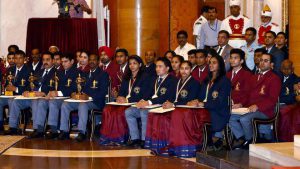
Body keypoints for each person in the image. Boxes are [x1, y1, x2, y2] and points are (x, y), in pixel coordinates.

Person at [151, 61, 208, 157]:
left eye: (186, 69)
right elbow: (172, 97)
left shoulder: (194, 83)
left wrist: (173, 104)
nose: (184, 71)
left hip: (189, 111)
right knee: (160, 115)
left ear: (191, 70)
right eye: (182, 68)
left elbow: (189, 100)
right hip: (177, 108)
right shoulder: (177, 81)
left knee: (176, 116)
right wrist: (167, 103)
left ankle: (175, 147)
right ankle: (163, 145)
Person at [229, 53, 281, 149]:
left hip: (264, 110)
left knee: (244, 119)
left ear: (271, 64)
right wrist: (240, 104)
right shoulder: (254, 77)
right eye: (261, 60)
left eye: (266, 61)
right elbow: (247, 95)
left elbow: (272, 99)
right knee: (229, 116)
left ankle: (250, 142)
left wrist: (257, 106)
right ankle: (243, 137)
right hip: (249, 108)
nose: (262, 63)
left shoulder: (274, 78)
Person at [125, 57, 177, 148]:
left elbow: (165, 97)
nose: (157, 69)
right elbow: (147, 92)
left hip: (163, 106)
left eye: (160, 66)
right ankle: (135, 139)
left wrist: (148, 102)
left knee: (143, 112)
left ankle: (144, 140)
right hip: (151, 105)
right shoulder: (154, 79)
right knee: (129, 111)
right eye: (156, 66)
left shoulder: (172, 80)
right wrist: (143, 101)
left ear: (167, 68)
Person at [100, 55, 152, 145]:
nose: (132, 66)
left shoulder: (145, 77)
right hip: (125, 103)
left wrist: (127, 100)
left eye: (134, 63)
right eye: (130, 64)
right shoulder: (127, 76)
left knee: (120, 112)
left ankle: (121, 138)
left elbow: (143, 94)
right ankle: (110, 138)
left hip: (137, 103)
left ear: (140, 65)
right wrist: (119, 97)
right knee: (108, 109)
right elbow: (122, 92)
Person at [58, 53, 109, 142]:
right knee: (65, 104)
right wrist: (73, 94)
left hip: (95, 102)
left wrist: (88, 96)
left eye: (94, 60)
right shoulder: (83, 74)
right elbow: (76, 87)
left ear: (98, 61)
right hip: (82, 100)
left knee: (82, 105)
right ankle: (64, 131)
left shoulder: (103, 74)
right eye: (90, 60)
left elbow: (102, 92)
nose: (92, 62)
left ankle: (82, 132)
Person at [6, 52, 56, 135]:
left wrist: (43, 93)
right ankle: (13, 127)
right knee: (15, 101)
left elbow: (55, 88)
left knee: (36, 102)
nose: (45, 62)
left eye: (48, 59)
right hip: (32, 96)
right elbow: (31, 84)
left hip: (45, 97)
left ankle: (37, 129)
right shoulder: (39, 72)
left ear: (53, 61)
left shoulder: (56, 73)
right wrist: (27, 91)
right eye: (43, 60)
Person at [188, 54, 231, 150]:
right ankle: (193, 141)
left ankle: (204, 141)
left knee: (196, 116)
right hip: (205, 109)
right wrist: (195, 101)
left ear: (220, 65)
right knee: (189, 112)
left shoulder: (224, 81)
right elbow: (201, 97)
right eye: (210, 63)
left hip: (217, 111)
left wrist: (204, 104)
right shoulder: (206, 80)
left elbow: (220, 102)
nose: (211, 65)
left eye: (214, 63)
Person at [36, 53, 79, 139]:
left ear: (72, 61)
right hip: (60, 97)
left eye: (66, 61)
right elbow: (56, 87)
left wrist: (57, 93)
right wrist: (51, 93)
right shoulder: (60, 73)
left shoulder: (77, 73)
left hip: (71, 98)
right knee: (43, 102)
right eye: (62, 62)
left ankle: (61, 131)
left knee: (55, 103)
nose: (63, 64)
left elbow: (74, 89)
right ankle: (42, 129)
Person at [0, 50, 30, 132]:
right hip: (10, 94)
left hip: (22, 96)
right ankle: (0, 124)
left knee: (12, 101)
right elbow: (6, 83)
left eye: (20, 58)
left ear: (24, 59)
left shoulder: (29, 70)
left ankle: (13, 127)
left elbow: (29, 87)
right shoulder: (10, 69)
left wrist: (16, 89)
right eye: (16, 58)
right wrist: (7, 87)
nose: (18, 60)